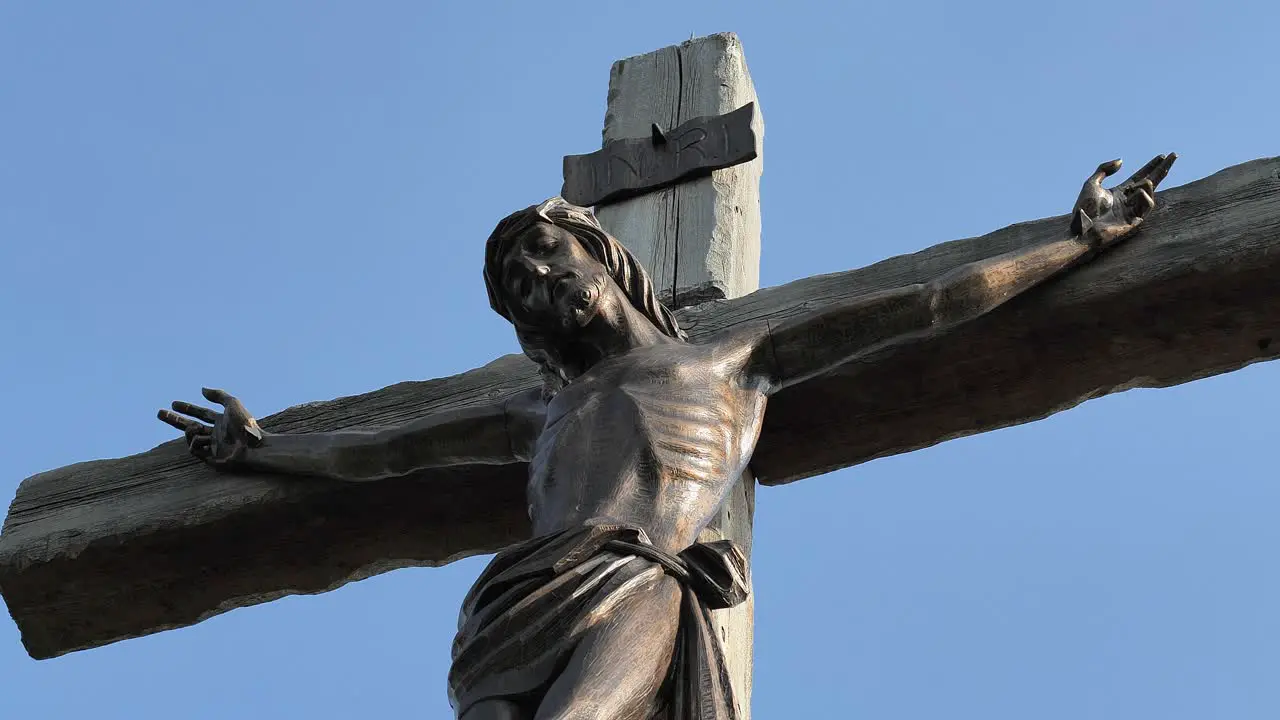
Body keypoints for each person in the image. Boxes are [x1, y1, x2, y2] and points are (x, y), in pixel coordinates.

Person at [160, 154, 1175, 720]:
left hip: (638, 576)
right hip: (515, 604)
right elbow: (381, 454)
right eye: (515, 283)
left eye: (544, 254)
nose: (535, 279)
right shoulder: (537, 413)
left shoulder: (734, 362)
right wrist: (262, 450)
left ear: (599, 254)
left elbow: (931, 304)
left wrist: (1071, 243)